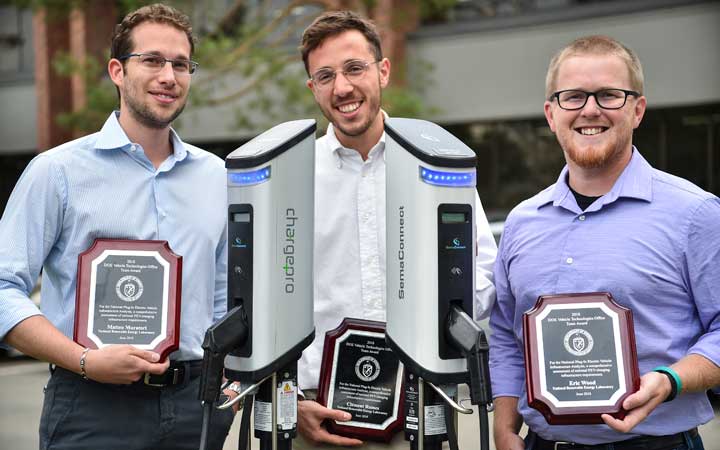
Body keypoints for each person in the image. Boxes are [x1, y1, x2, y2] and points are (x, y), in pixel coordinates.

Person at [0, 4, 237, 450]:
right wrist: (85, 360)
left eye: (181, 64)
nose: (169, 75)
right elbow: (2, 288)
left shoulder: (216, 177)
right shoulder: (56, 172)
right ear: (116, 70)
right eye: (152, 60)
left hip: (196, 408)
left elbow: (224, 293)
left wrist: (229, 375)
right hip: (92, 406)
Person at [489, 35, 720, 450]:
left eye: (609, 95)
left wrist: (672, 380)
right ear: (551, 113)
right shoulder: (521, 223)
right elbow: (506, 334)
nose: (590, 110)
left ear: (637, 110)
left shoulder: (696, 214)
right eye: (573, 97)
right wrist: (504, 427)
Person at [296, 10, 497, 449]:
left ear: (383, 71)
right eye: (325, 76)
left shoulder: (436, 166)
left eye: (354, 68)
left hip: (422, 411)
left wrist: (437, 324)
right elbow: (266, 304)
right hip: (317, 422)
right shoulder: (293, 177)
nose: (343, 87)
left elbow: (482, 280)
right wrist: (291, 401)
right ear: (312, 88)